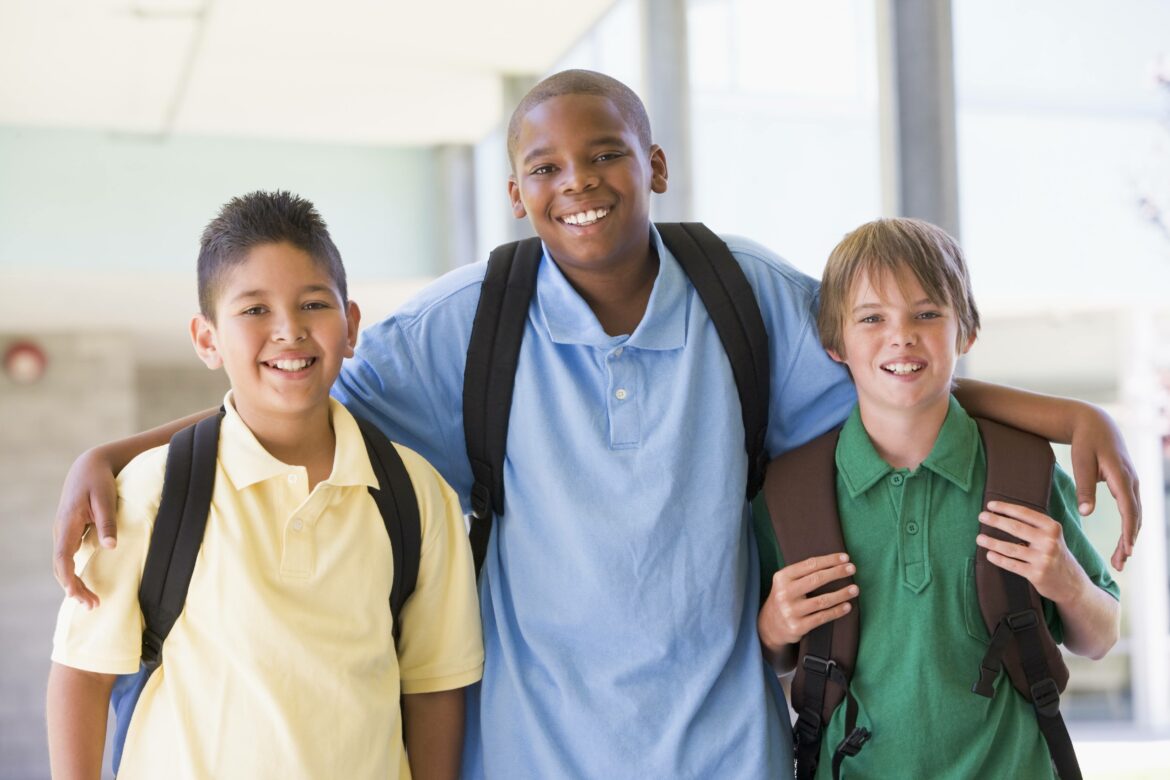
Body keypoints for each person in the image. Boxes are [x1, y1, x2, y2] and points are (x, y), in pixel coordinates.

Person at [52, 72, 1139, 778]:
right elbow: (290, 387)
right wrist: (121, 455)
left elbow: (897, 357)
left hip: (727, 753)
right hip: (528, 756)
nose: (579, 182)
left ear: (654, 165)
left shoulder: (743, 296)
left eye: (607, 154)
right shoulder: (471, 323)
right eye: (545, 168)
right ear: (520, 194)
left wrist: (1063, 411)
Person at [46, 191, 483, 779]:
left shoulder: (417, 494)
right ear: (207, 339)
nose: (288, 331)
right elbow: (83, 674)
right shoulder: (151, 491)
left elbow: (433, 688)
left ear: (350, 327)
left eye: (313, 304)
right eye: (254, 310)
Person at [757, 218, 1120, 778]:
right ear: (835, 343)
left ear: (966, 332)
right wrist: (773, 628)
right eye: (872, 318)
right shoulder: (789, 494)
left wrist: (1067, 582)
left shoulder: (1023, 471)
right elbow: (764, 658)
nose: (901, 335)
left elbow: (1100, 638)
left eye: (927, 314)